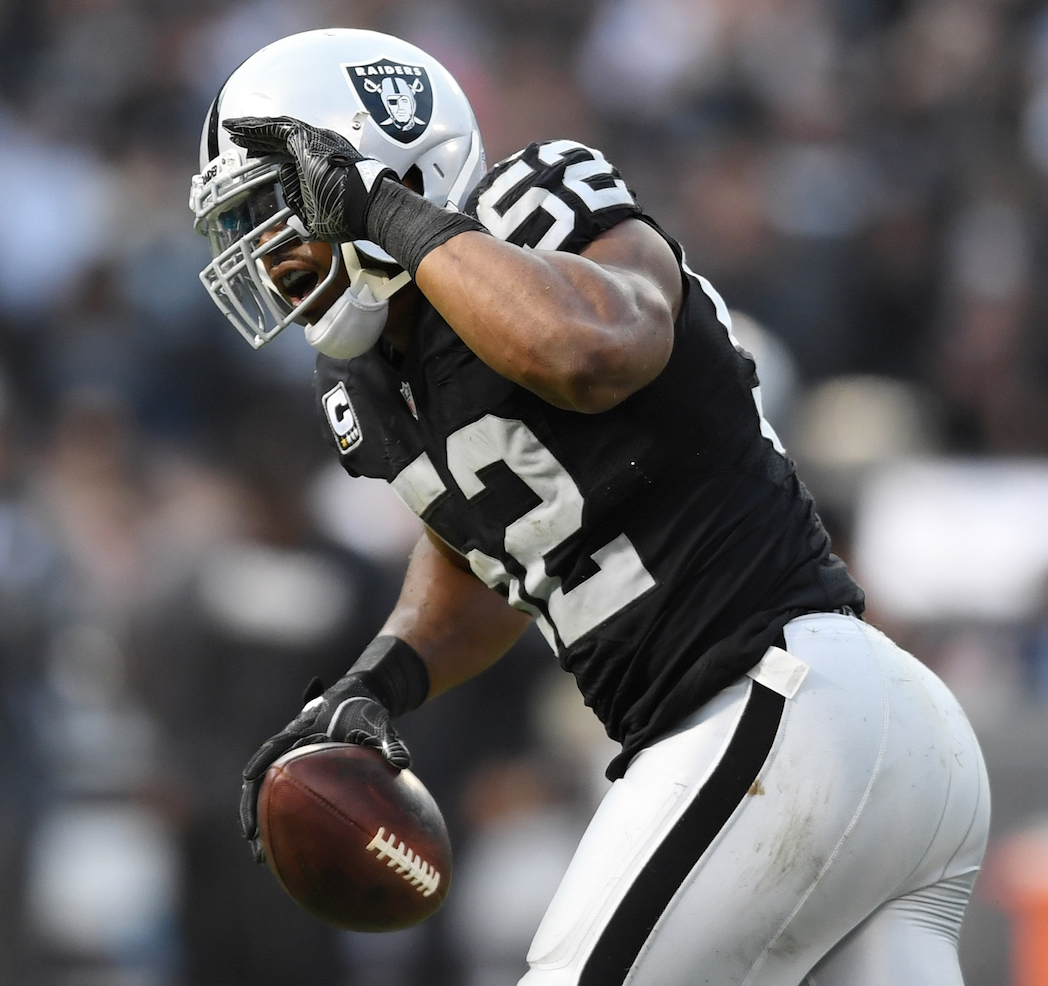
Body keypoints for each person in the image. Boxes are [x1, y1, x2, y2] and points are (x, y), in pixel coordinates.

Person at [189, 28, 990, 986]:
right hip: (841, 741)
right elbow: (496, 552)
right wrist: (373, 683)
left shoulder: (532, 206)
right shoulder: (368, 381)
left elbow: (596, 348)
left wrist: (378, 212)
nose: (263, 248)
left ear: (383, 160)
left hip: (775, 703)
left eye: (279, 204)